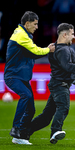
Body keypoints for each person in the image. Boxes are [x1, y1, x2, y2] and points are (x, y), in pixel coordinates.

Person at [27, 23, 75, 144]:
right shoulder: (64, 50)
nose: (73, 37)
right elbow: (68, 68)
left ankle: (24, 132)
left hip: (57, 83)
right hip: (60, 85)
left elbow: (65, 72)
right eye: (72, 34)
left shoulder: (55, 48)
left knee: (46, 116)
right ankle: (56, 130)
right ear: (65, 34)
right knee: (64, 107)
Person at [4, 11, 55, 145]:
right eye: (35, 24)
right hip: (13, 76)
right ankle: (16, 128)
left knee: (31, 109)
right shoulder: (21, 35)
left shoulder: (23, 34)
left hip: (20, 77)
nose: (37, 27)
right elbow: (36, 51)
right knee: (26, 95)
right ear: (27, 23)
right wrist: (48, 49)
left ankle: (20, 136)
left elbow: (32, 53)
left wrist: (46, 50)